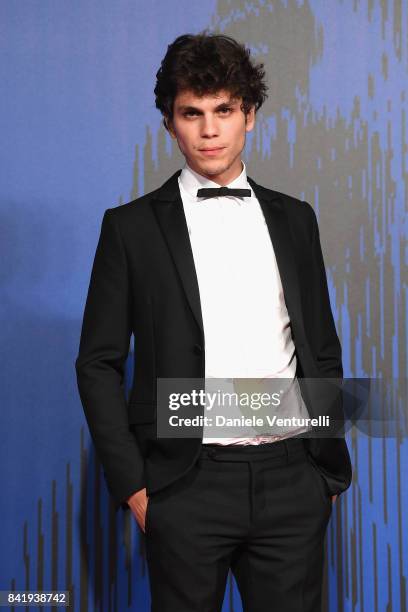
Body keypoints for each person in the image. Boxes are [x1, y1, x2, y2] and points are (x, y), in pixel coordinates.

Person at [75, 31, 352, 612]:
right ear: (170, 123)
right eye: (191, 113)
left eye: (224, 110)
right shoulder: (130, 229)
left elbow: (320, 349)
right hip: (186, 484)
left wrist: (324, 473)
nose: (208, 130)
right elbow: (98, 364)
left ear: (248, 115)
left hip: (292, 480)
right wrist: (135, 487)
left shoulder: (296, 220)